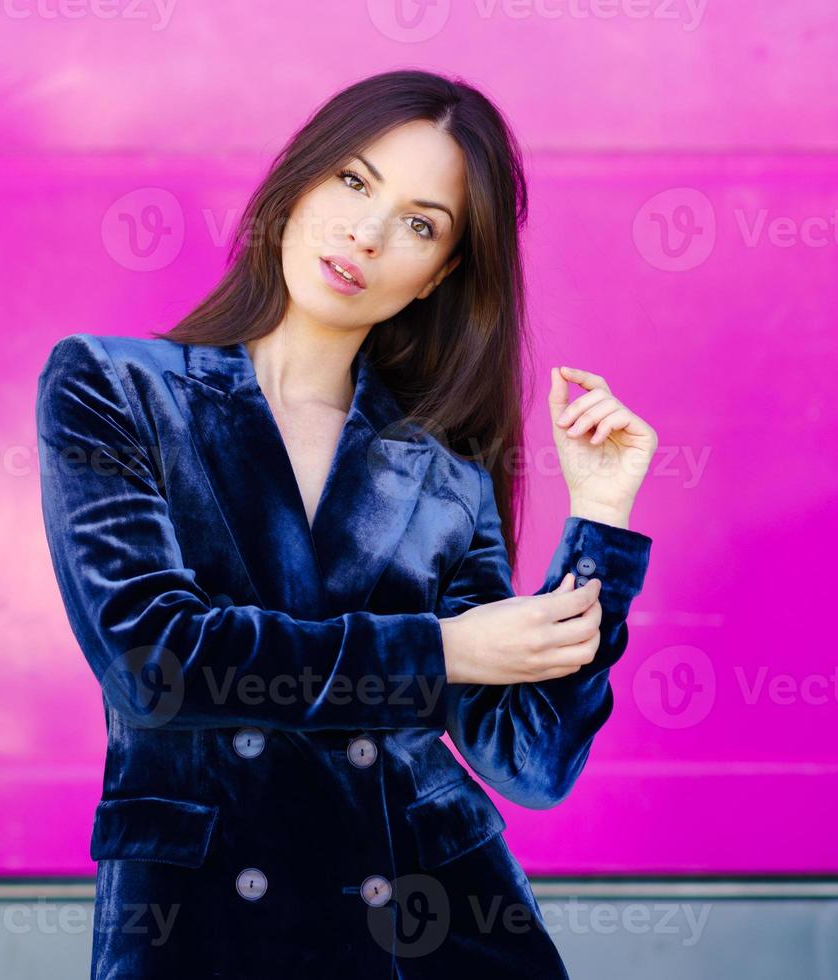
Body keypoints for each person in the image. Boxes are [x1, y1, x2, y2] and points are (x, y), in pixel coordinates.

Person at [36, 68, 656, 979]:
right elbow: (155, 663)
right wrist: (439, 652)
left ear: (437, 273)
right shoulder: (114, 387)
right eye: (354, 182)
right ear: (298, 184)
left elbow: (528, 757)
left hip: (433, 929)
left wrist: (600, 514)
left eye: (419, 224)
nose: (367, 233)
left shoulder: (440, 469)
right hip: (203, 927)